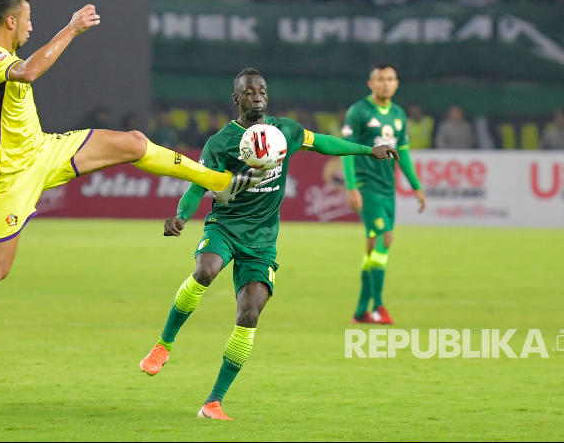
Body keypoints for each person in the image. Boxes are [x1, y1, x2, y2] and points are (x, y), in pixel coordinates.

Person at [0, 0, 262, 309]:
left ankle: (221, 181)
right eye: (27, 19)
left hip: (45, 150)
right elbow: (28, 72)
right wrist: (72, 28)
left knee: (134, 143)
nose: (30, 25)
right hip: (14, 175)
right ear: (11, 21)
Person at [138, 67, 398, 420]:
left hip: (262, 241)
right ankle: (163, 346)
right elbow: (197, 183)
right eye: (249, 92)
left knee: (249, 314)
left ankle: (213, 402)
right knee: (205, 270)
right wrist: (182, 215)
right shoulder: (221, 143)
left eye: (261, 91)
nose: (257, 96)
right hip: (226, 226)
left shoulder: (285, 130)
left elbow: (322, 142)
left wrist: (369, 150)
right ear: (236, 99)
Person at [342, 64, 426, 325]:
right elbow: (346, 148)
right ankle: (378, 307)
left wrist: (416, 186)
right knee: (384, 239)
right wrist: (352, 186)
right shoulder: (358, 112)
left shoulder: (399, 115)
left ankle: (360, 311)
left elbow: (405, 155)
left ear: (397, 83)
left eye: (390, 79)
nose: (386, 84)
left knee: (371, 247)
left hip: (387, 190)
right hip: (367, 187)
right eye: (380, 79)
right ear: (371, 83)